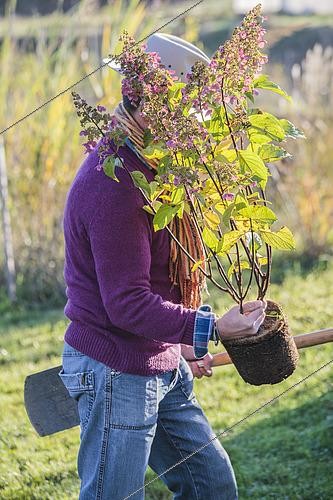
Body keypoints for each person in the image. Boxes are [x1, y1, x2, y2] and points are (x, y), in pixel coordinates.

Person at [59, 33, 267, 500]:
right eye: (181, 113)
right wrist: (212, 328)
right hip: (116, 369)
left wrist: (186, 339)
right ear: (148, 105)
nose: (188, 126)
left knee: (212, 487)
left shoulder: (156, 168)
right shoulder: (115, 184)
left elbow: (163, 271)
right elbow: (127, 305)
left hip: (159, 360)